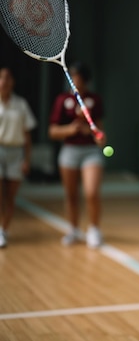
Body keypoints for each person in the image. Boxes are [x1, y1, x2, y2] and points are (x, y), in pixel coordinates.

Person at [49, 61, 107, 249]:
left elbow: (100, 132)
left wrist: (97, 135)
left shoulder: (95, 100)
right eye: (71, 78)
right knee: (71, 194)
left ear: (86, 80)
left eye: (77, 78)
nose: (74, 82)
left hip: (91, 152)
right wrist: (71, 129)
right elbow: (53, 132)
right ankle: (73, 230)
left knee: (91, 192)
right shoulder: (62, 100)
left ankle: (94, 230)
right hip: (69, 151)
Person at [0, 64, 36, 248]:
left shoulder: (20, 104)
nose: (5, 81)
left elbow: (27, 136)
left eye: (8, 78)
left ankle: (4, 230)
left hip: (16, 153)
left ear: (13, 82)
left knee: (10, 197)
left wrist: (26, 159)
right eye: (2, 77)